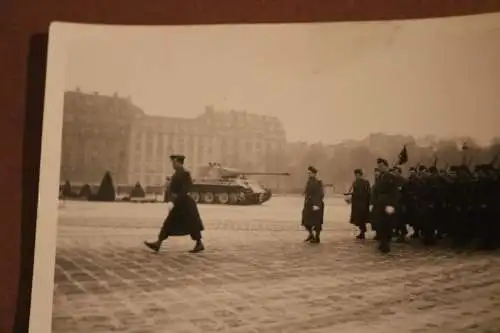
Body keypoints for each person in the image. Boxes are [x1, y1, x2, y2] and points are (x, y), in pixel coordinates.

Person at [144, 154, 205, 253]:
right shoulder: (177, 173)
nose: (172, 164)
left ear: (179, 162)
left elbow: (185, 188)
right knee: (171, 223)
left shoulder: (185, 173)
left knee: (191, 224)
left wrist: (174, 200)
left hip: (185, 204)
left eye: (174, 162)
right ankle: (158, 243)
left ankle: (199, 243)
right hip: (180, 203)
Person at [371, 158, 400, 253]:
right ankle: (383, 242)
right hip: (380, 203)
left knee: (388, 224)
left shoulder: (391, 177)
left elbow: (395, 192)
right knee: (381, 223)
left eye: (381, 166)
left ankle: (386, 243)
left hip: (388, 204)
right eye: (379, 166)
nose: (380, 168)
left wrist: (392, 205)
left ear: (386, 166)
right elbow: (376, 191)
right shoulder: (380, 177)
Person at [301, 165, 325, 244]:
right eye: (308, 173)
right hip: (308, 204)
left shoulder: (318, 182)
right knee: (306, 221)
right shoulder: (308, 181)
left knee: (317, 222)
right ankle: (311, 234)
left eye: (310, 173)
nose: (309, 175)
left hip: (316, 204)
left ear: (314, 174)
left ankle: (317, 237)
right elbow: (303, 192)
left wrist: (316, 205)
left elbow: (321, 194)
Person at [347, 169, 371, 239]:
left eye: (358, 174)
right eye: (356, 175)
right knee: (358, 218)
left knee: (362, 218)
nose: (357, 176)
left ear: (361, 175)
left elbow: (368, 193)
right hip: (356, 203)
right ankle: (362, 231)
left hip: (363, 203)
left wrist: (368, 202)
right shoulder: (355, 182)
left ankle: (363, 231)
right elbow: (353, 191)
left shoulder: (365, 182)